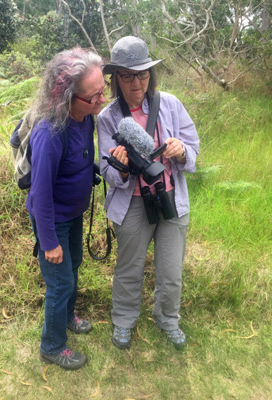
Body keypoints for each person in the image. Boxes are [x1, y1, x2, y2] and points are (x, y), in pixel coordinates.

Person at [97, 36, 199, 350]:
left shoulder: (170, 104)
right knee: (129, 269)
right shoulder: (107, 117)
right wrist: (123, 168)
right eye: (127, 75)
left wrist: (181, 152)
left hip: (170, 201)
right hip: (132, 206)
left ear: (150, 75)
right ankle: (124, 321)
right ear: (116, 78)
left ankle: (168, 319)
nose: (136, 82)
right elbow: (107, 170)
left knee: (171, 271)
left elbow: (193, 150)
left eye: (142, 74)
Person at [26, 47, 106, 370]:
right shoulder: (50, 132)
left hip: (73, 215)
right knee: (59, 283)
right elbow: (41, 194)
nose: (101, 100)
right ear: (68, 98)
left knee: (72, 272)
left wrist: (95, 168)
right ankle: (52, 345)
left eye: (103, 91)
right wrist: (48, 243)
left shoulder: (84, 118)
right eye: (93, 96)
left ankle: (68, 316)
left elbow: (81, 158)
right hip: (52, 220)